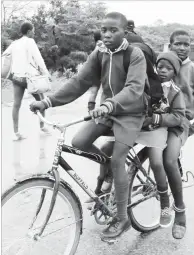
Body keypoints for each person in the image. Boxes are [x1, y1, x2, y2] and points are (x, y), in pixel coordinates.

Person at [29, 12, 147, 241]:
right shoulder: (100, 52)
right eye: (104, 30)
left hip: (130, 113)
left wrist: (110, 104)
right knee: (79, 142)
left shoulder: (135, 54)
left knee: (118, 159)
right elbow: (79, 82)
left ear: (125, 32)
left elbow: (134, 89)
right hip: (107, 112)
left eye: (114, 30)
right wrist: (48, 101)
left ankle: (122, 218)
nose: (108, 34)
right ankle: (111, 174)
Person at [163, 29, 194, 239]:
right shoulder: (161, 66)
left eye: (186, 44)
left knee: (168, 160)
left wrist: (193, 128)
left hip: (180, 124)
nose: (182, 48)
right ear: (170, 45)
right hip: (158, 120)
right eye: (178, 44)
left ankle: (180, 212)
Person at [135, 51, 188, 228]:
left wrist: (157, 119)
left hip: (169, 128)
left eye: (168, 68)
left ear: (175, 72)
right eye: (160, 67)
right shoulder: (148, 84)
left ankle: (166, 203)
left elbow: (178, 117)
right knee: (113, 147)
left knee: (162, 161)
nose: (163, 70)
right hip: (150, 127)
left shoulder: (175, 92)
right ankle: (106, 188)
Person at [2, 22, 51, 141]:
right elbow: (38, 59)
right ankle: (42, 126)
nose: (34, 32)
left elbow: (4, 55)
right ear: (29, 31)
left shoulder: (14, 43)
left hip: (17, 78)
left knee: (16, 104)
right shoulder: (30, 42)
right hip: (30, 79)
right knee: (42, 101)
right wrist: (46, 73)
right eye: (33, 30)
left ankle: (16, 132)